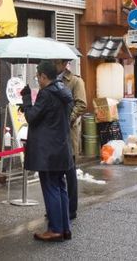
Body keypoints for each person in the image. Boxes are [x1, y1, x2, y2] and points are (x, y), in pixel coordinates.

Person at [25, 60, 74, 242]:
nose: (37, 79)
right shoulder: (63, 90)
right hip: (61, 148)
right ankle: (64, 228)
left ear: (44, 76)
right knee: (60, 186)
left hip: (48, 151)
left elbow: (31, 117)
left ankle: (55, 229)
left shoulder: (46, 94)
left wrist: (26, 98)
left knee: (51, 188)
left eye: (38, 76)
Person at [55, 59, 87, 220]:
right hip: (54, 133)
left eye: (56, 62)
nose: (54, 64)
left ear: (64, 63)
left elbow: (82, 104)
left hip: (69, 132)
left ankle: (71, 208)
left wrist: (69, 118)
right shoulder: (51, 80)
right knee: (55, 172)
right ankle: (56, 206)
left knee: (70, 172)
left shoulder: (75, 81)